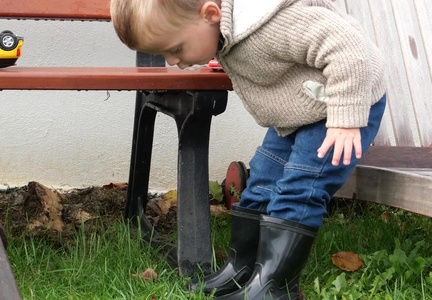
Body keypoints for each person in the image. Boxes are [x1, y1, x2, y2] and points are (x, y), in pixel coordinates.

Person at [110, 0, 386, 299]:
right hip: (300, 111)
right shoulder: (222, 32)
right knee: (262, 182)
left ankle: (273, 288)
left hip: (339, 112)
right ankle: (242, 269)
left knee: (300, 187)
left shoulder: (271, 25)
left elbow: (351, 50)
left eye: (176, 49)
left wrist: (345, 120)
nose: (174, 61)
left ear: (211, 15)